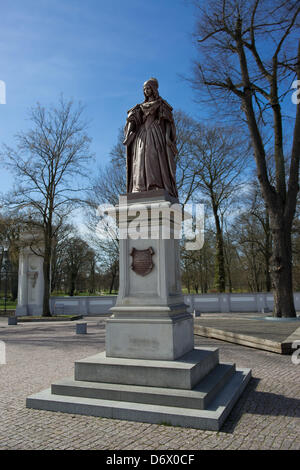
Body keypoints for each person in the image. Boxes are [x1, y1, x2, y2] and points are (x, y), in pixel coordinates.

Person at [123, 78, 178, 198]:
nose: (146, 91)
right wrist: (128, 135)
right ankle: (139, 187)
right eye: (144, 89)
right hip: (141, 135)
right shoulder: (140, 107)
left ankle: (155, 185)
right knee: (140, 159)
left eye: (148, 88)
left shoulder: (161, 104)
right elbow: (132, 119)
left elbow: (168, 121)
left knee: (152, 157)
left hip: (155, 133)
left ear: (153, 89)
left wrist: (168, 138)